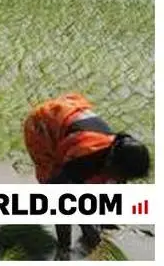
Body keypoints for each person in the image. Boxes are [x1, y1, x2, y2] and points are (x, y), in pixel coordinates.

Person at [22, 92, 151, 260]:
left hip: (67, 118)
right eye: (122, 176)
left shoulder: (119, 149)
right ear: (112, 164)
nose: (123, 181)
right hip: (42, 127)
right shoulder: (84, 159)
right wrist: (64, 248)